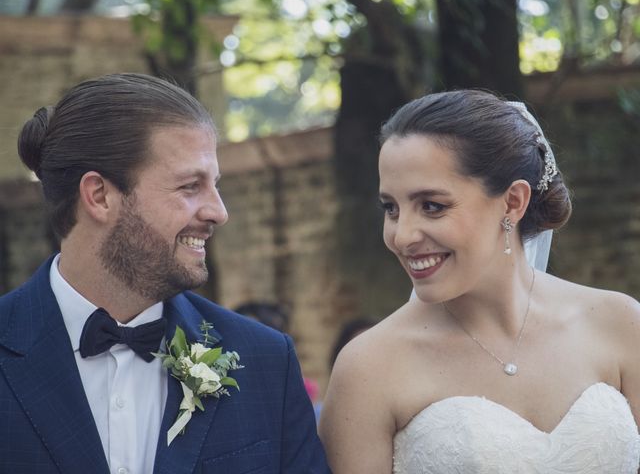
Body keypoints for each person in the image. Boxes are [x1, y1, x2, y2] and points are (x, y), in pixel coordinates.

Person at [0, 73, 330, 474]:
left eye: (215, 185)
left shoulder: (264, 362)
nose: (218, 212)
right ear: (99, 196)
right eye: (191, 186)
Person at [319, 90, 640, 473]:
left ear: (513, 202)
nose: (402, 236)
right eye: (391, 208)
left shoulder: (621, 323)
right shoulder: (368, 368)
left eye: (432, 206)